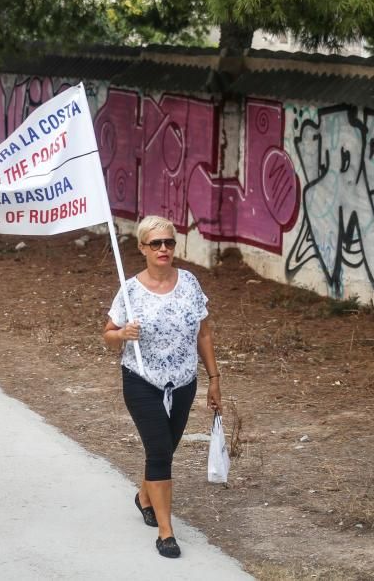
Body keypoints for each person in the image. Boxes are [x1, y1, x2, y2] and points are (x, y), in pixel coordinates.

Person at [102, 215, 223, 559]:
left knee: (166, 448)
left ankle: (143, 496)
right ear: (142, 247)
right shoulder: (130, 290)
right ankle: (166, 532)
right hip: (142, 381)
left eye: (169, 242)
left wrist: (214, 380)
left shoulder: (189, 283)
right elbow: (108, 335)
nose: (164, 249)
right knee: (159, 453)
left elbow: (205, 332)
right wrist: (122, 334)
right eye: (155, 243)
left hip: (183, 381)